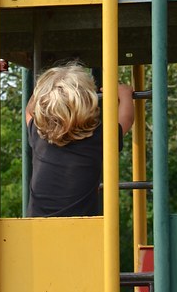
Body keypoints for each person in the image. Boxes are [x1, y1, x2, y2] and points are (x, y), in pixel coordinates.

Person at [25, 61, 135, 218]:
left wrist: (41, 91)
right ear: (89, 102)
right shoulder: (99, 137)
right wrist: (124, 95)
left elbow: (29, 111)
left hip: (36, 228)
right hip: (82, 227)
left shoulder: (39, 135)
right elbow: (127, 119)